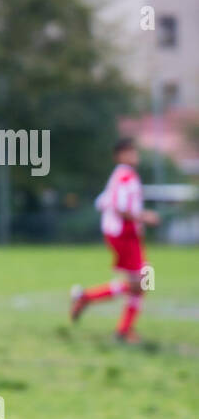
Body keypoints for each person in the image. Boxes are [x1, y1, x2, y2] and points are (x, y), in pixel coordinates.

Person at [70, 138, 160, 343]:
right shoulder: (124, 177)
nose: (134, 156)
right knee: (143, 281)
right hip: (124, 234)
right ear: (119, 156)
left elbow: (101, 202)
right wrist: (145, 216)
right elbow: (119, 208)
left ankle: (122, 328)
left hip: (129, 235)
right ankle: (92, 304)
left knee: (144, 280)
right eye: (129, 152)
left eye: (134, 152)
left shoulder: (122, 176)